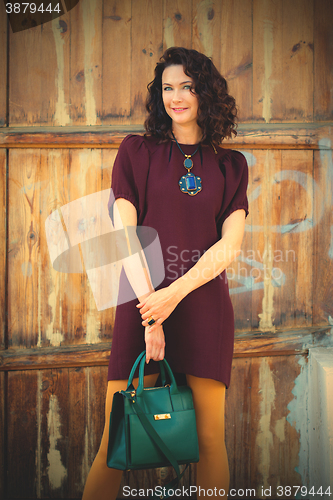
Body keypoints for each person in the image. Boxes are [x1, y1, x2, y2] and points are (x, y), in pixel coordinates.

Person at [82, 46, 249, 500]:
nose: (176, 97)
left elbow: (229, 246)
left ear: (205, 93)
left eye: (187, 87)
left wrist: (173, 295)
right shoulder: (136, 152)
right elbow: (125, 234)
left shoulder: (231, 164)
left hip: (203, 307)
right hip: (140, 301)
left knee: (211, 442)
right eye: (168, 88)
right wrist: (153, 313)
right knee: (114, 444)